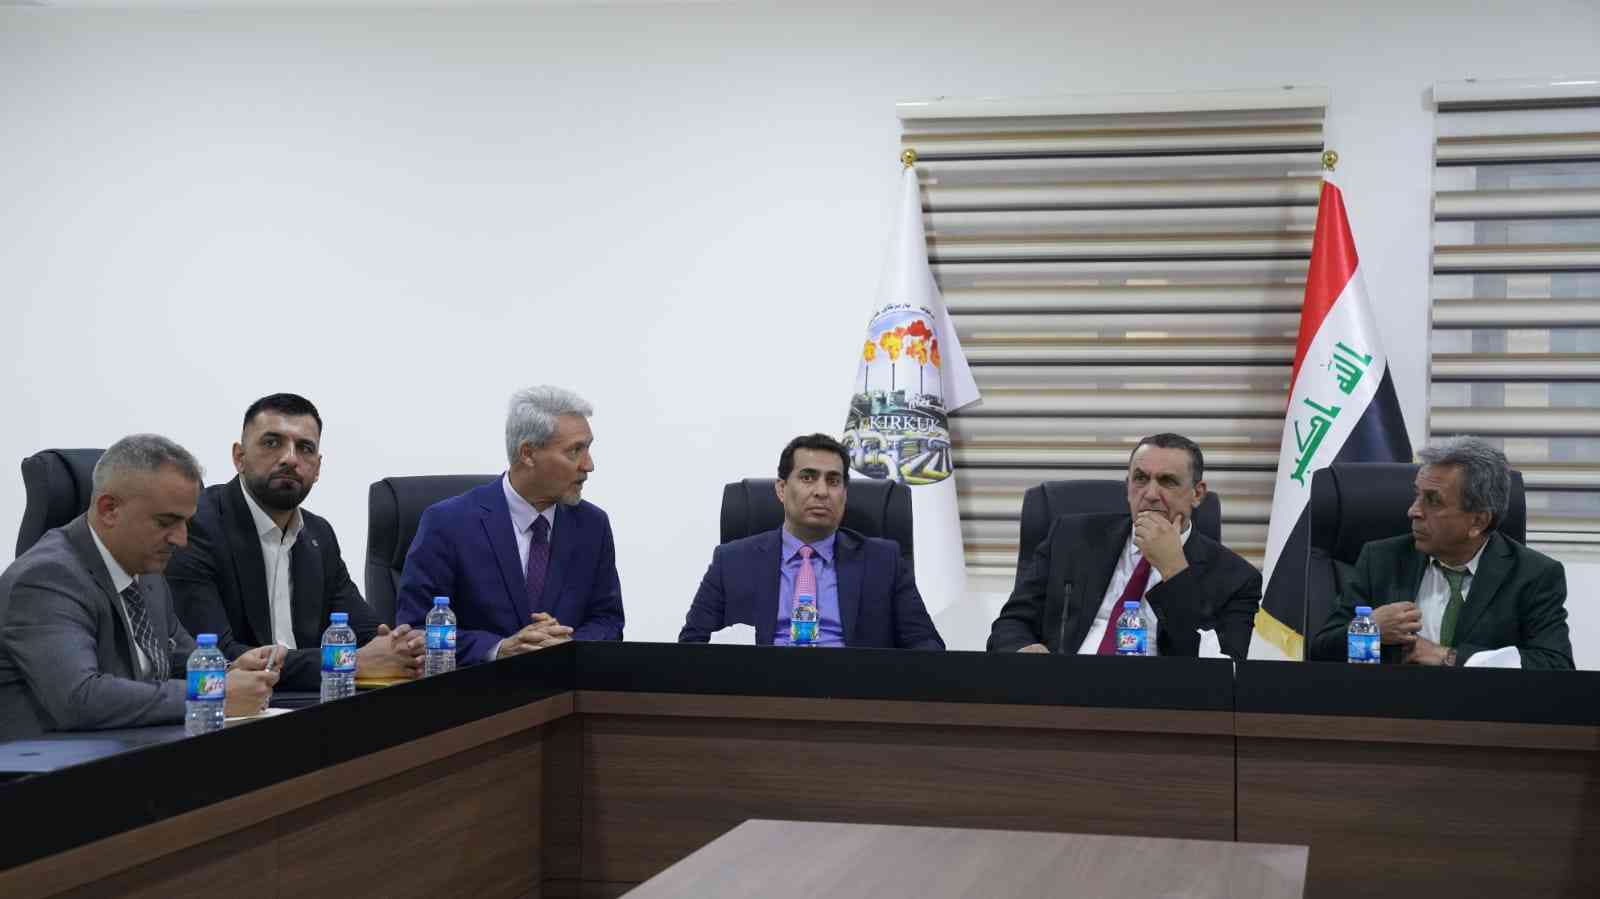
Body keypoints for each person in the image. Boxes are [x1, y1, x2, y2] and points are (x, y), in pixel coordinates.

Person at [0, 435, 279, 739]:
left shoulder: (146, 571)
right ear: (109, 509)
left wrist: (231, 672)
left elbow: (182, 662)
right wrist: (213, 691)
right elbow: (80, 698)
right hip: (51, 761)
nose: (181, 540)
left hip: (135, 747)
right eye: (166, 522)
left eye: (186, 523)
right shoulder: (47, 578)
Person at [168, 394, 423, 691]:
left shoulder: (319, 534)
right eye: (271, 443)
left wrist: (402, 647)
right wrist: (347, 662)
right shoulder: (197, 525)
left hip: (311, 700)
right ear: (239, 457)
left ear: (317, 468)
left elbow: (365, 633)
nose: (290, 458)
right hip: (235, 705)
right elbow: (215, 656)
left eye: (305, 448)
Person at [396, 386, 623, 664]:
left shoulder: (592, 525)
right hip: (478, 688)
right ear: (528, 453)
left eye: (588, 448)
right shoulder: (448, 523)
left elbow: (608, 620)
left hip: (564, 686)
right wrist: (499, 649)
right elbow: (416, 629)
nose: (588, 465)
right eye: (575, 451)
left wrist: (568, 645)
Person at [987, 433, 1261, 658]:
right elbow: (1012, 623)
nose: (1151, 494)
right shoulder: (1070, 538)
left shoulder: (1237, 579)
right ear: (1127, 486)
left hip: (1155, 700)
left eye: (1167, 481)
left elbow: (1221, 670)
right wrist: (1025, 650)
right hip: (1061, 689)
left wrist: (1174, 570)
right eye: (1140, 479)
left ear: (1197, 494)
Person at [1309, 436, 1573, 668]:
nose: (1413, 511)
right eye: (1417, 495)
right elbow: (1319, 651)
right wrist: (1370, 629)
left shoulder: (1533, 575)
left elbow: (1555, 666)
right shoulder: (1381, 559)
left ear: (1478, 521)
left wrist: (1449, 657)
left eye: (1433, 501)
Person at [679, 433, 944, 649]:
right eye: (808, 478)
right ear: (781, 489)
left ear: (844, 494)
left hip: (852, 689)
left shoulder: (883, 561)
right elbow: (692, 645)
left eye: (833, 481)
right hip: (760, 690)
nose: (821, 491)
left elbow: (926, 645)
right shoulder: (732, 561)